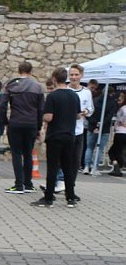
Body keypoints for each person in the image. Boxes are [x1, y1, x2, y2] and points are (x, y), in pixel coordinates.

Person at [30, 67, 80, 208]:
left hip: (55, 135)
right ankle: (70, 198)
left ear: (54, 79)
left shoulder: (52, 96)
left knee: (52, 167)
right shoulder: (74, 95)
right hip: (70, 135)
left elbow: (48, 117)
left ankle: (48, 198)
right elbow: (77, 114)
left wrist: (43, 117)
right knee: (68, 167)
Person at [0, 61, 45, 194]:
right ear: (31, 71)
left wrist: (6, 122)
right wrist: (38, 127)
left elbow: (2, 106)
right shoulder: (38, 87)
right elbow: (41, 109)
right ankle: (28, 184)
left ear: (19, 71)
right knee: (28, 153)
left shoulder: (11, 85)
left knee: (16, 154)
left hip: (16, 123)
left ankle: (18, 185)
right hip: (31, 124)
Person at [84, 85, 116, 176]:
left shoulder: (94, 100)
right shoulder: (112, 103)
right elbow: (109, 117)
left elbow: (89, 114)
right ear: (111, 93)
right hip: (104, 129)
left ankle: (86, 166)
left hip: (92, 127)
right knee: (100, 149)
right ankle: (94, 167)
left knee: (89, 148)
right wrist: (100, 124)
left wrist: (94, 124)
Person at [108, 92, 126, 176]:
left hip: (121, 132)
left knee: (115, 151)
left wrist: (122, 122)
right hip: (121, 132)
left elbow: (121, 119)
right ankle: (118, 167)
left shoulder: (123, 109)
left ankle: (118, 167)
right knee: (117, 151)